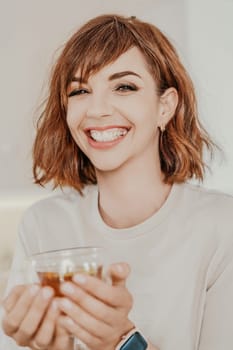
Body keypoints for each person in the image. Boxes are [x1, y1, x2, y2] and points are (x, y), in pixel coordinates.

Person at [1, 13, 233, 350]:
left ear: (165, 107)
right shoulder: (43, 226)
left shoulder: (221, 227)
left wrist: (121, 342)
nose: (96, 110)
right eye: (80, 90)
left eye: (124, 86)